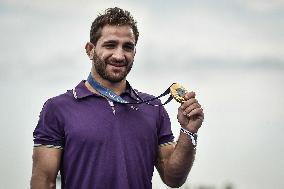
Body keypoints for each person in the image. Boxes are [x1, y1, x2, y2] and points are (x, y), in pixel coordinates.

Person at [31, 7, 204, 189]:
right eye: (110, 45)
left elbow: (173, 178)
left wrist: (188, 131)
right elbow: (43, 181)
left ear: (135, 53)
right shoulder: (58, 108)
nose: (119, 55)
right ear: (90, 50)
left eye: (127, 47)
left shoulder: (153, 108)